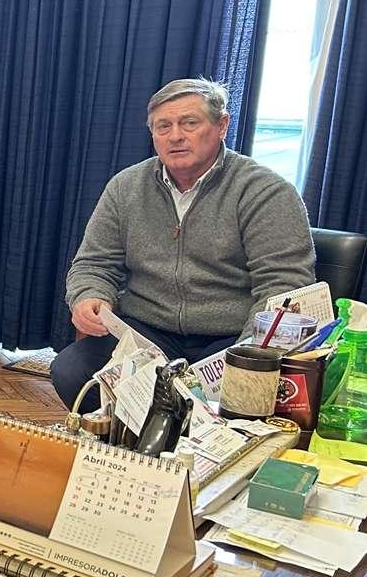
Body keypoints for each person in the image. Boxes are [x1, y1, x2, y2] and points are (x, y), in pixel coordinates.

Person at [53, 78, 315, 411]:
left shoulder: (265, 191)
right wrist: (90, 295)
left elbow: (284, 288)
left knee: (213, 400)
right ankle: (132, 443)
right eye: (163, 126)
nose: (175, 136)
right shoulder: (125, 187)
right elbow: (94, 263)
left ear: (221, 126)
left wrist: (246, 353)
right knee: (71, 371)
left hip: (230, 337)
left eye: (189, 123)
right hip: (146, 332)